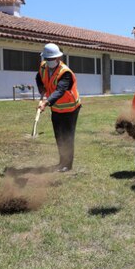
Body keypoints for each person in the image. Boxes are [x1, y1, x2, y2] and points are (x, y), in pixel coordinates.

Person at [36, 43, 81, 172]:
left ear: (58, 58)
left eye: (51, 59)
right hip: (56, 108)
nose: (49, 61)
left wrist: (45, 102)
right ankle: (61, 162)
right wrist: (41, 88)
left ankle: (68, 165)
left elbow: (60, 91)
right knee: (58, 136)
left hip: (70, 109)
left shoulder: (65, 72)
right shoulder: (43, 67)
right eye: (47, 59)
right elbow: (38, 77)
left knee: (67, 136)